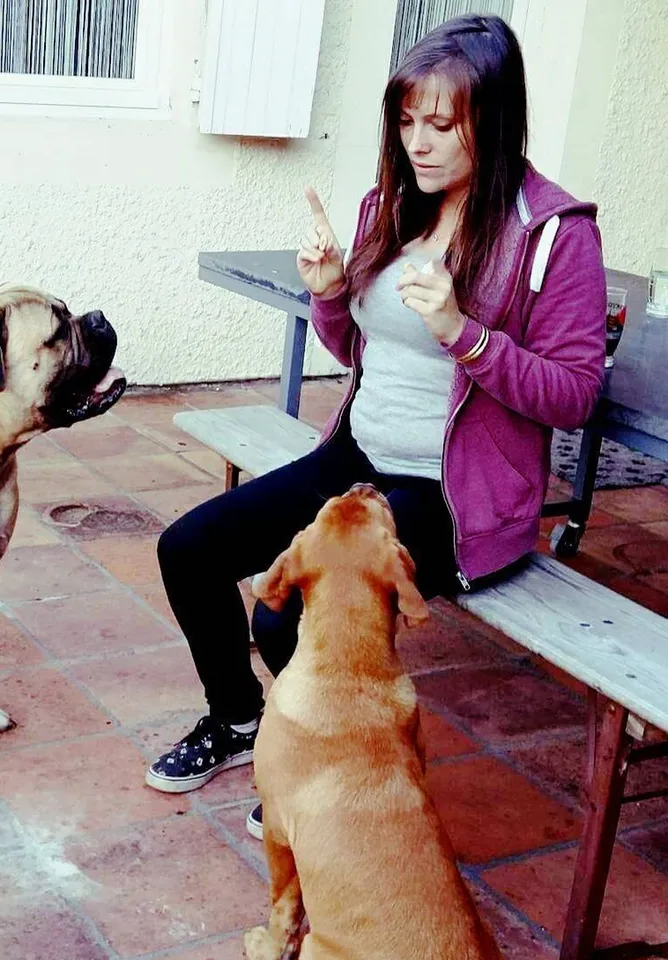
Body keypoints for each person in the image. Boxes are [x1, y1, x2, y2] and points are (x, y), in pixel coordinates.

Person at [145, 14, 607, 840]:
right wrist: (328, 290)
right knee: (189, 551)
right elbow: (354, 344)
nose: (418, 143)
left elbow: (574, 394)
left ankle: (325, 763)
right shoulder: (390, 203)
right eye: (406, 120)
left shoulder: (552, 236)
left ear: (493, 119)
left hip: (453, 496)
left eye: (442, 124)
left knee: (280, 617)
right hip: (357, 456)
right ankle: (241, 717)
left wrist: (468, 336)